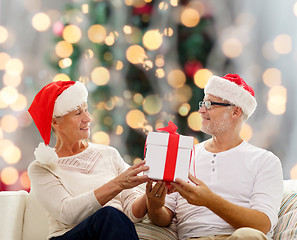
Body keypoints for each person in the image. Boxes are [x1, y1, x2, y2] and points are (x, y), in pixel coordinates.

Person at [146, 73, 283, 240]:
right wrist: (154, 207)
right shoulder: (185, 154)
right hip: (193, 238)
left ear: (235, 112)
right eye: (203, 103)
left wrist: (209, 200)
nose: (201, 110)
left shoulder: (265, 161)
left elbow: (262, 225)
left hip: (240, 238)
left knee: (248, 236)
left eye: (209, 104)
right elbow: (163, 217)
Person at [27, 80, 149, 240]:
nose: (88, 118)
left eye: (86, 110)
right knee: (109, 215)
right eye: (78, 113)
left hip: (111, 233)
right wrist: (118, 184)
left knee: (112, 217)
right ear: (56, 122)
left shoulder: (109, 154)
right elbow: (67, 212)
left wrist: (150, 195)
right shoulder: (42, 168)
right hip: (68, 237)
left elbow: (132, 213)